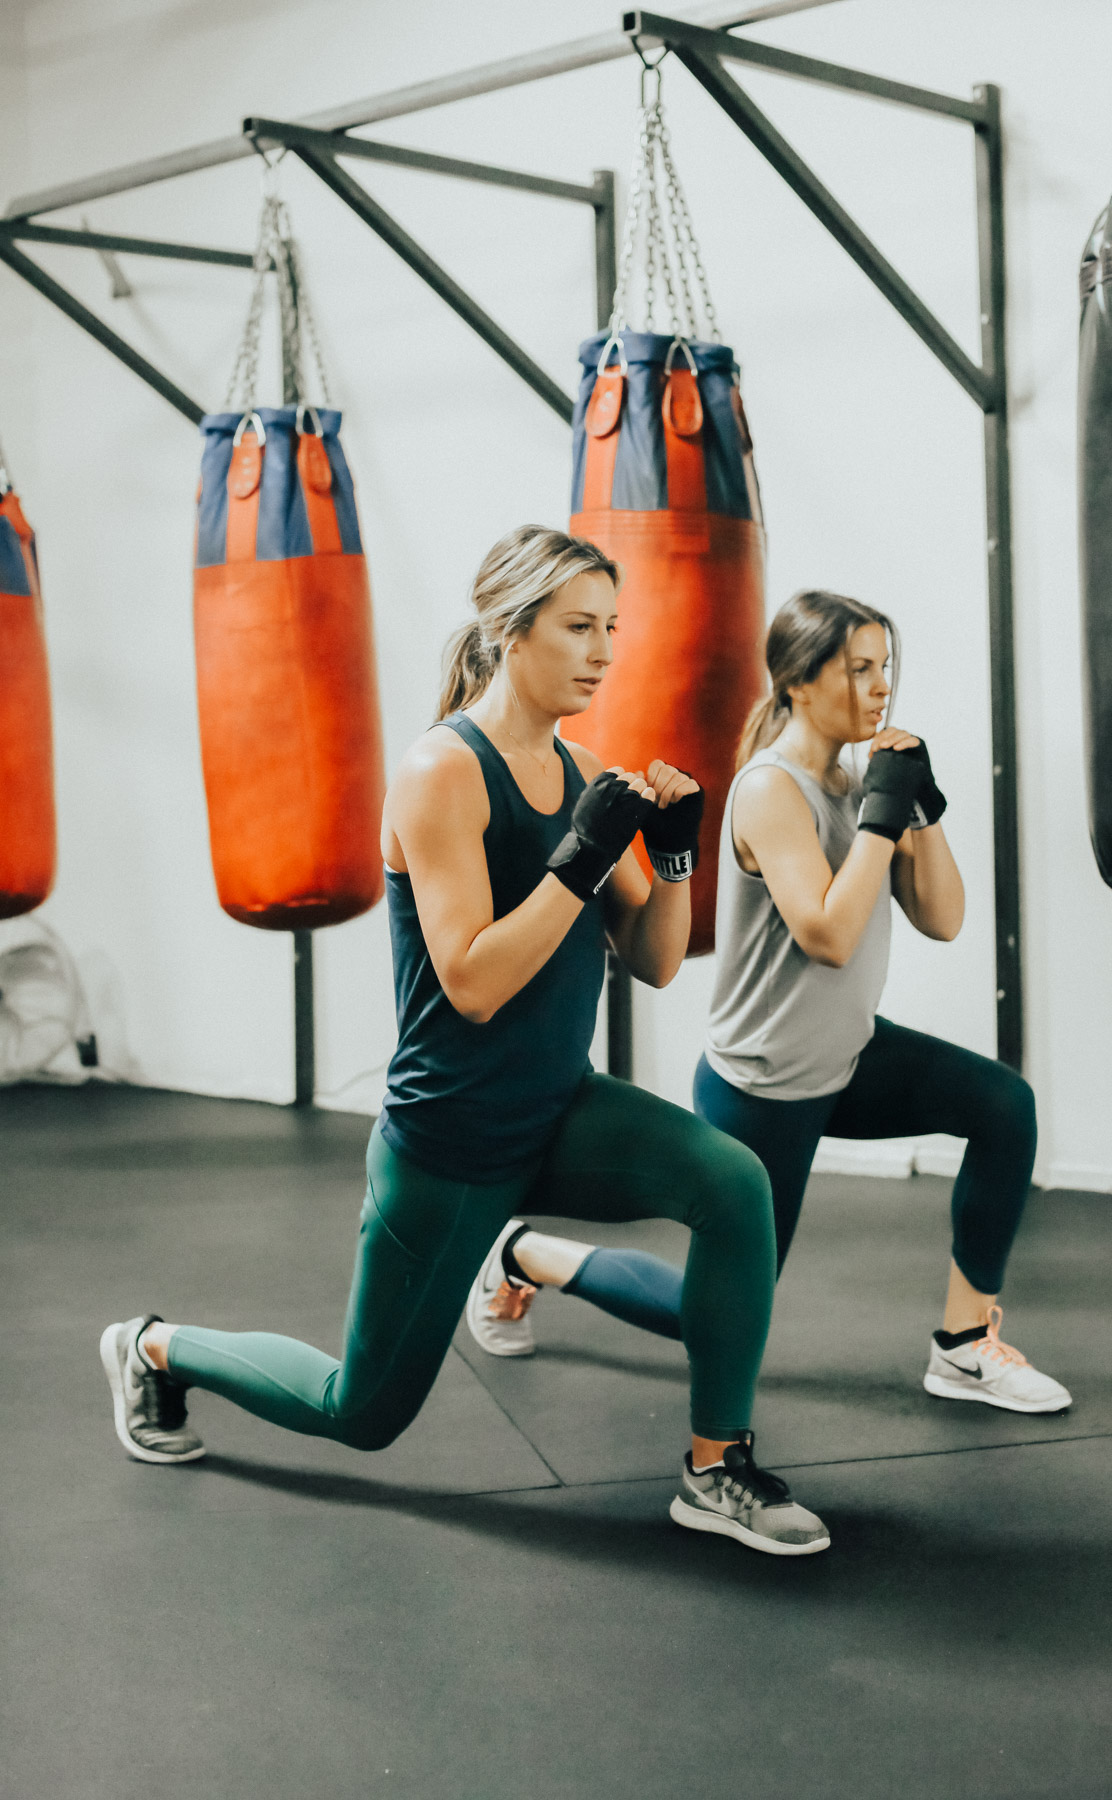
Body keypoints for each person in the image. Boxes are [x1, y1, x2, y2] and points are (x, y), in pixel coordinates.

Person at [100, 527, 830, 1558]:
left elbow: (657, 961)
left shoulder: (579, 765)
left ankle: (716, 1468)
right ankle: (155, 1348)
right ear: (510, 629)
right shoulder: (442, 771)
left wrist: (674, 855)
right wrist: (579, 859)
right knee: (363, 1412)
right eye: (579, 627)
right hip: (451, 1138)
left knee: (734, 1184)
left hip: (559, 1110)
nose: (603, 651)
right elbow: (475, 983)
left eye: (612, 629)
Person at [467, 589, 1072, 1417]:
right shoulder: (769, 790)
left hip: (848, 1055)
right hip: (765, 1085)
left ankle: (963, 1347)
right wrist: (881, 818)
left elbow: (944, 917)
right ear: (798, 681)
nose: (879, 687)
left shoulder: (865, 781)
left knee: (1005, 1107)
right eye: (858, 669)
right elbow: (826, 930)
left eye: (884, 668)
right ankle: (525, 1253)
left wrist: (917, 805)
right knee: (707, 1314)